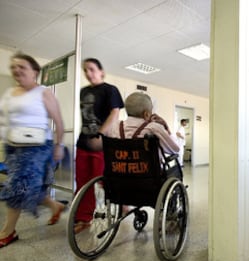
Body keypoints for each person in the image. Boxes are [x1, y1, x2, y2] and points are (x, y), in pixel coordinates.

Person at [0, 53, 65, 248]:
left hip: (37, 148)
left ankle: (7, 231)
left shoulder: (43, 92)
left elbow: (59, 121)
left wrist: (59, 145)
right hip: (13, 147)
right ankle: (55, 206)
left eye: (22, 66)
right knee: (26, 187)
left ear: (35, 72)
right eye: (14, 67)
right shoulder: (10, 93)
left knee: (15, 187)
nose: (17, 70)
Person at [74, 58, 124, 233]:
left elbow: (115, 112)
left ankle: (122, 203)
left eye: (92, 69)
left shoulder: (110, 90)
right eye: (85, 70)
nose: (88, 73)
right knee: (82, 182)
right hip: (83, 142)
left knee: (103, 180)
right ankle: (83, 218)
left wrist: (100, 134)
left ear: (101, 71)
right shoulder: (83, 92)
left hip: (102, 144)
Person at [109, 92, 179, 154]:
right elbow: (175, 149)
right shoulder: (154, 127)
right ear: (146, 114)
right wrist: (166, 127)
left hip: (119, 168)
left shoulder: (114, 127)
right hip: (149, 168)